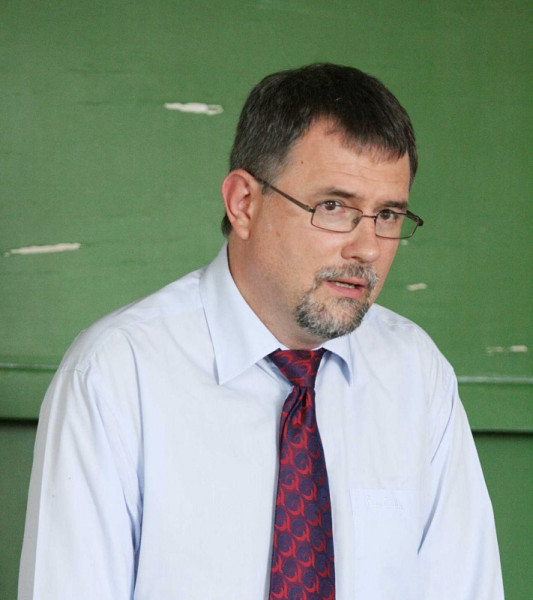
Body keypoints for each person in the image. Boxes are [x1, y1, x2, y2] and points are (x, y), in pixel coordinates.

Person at [19, 64, 504, 599]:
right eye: (334, 207)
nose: (367, 248)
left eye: (388, 215)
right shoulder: (115, 374)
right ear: (244, 203)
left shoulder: (416, 375)